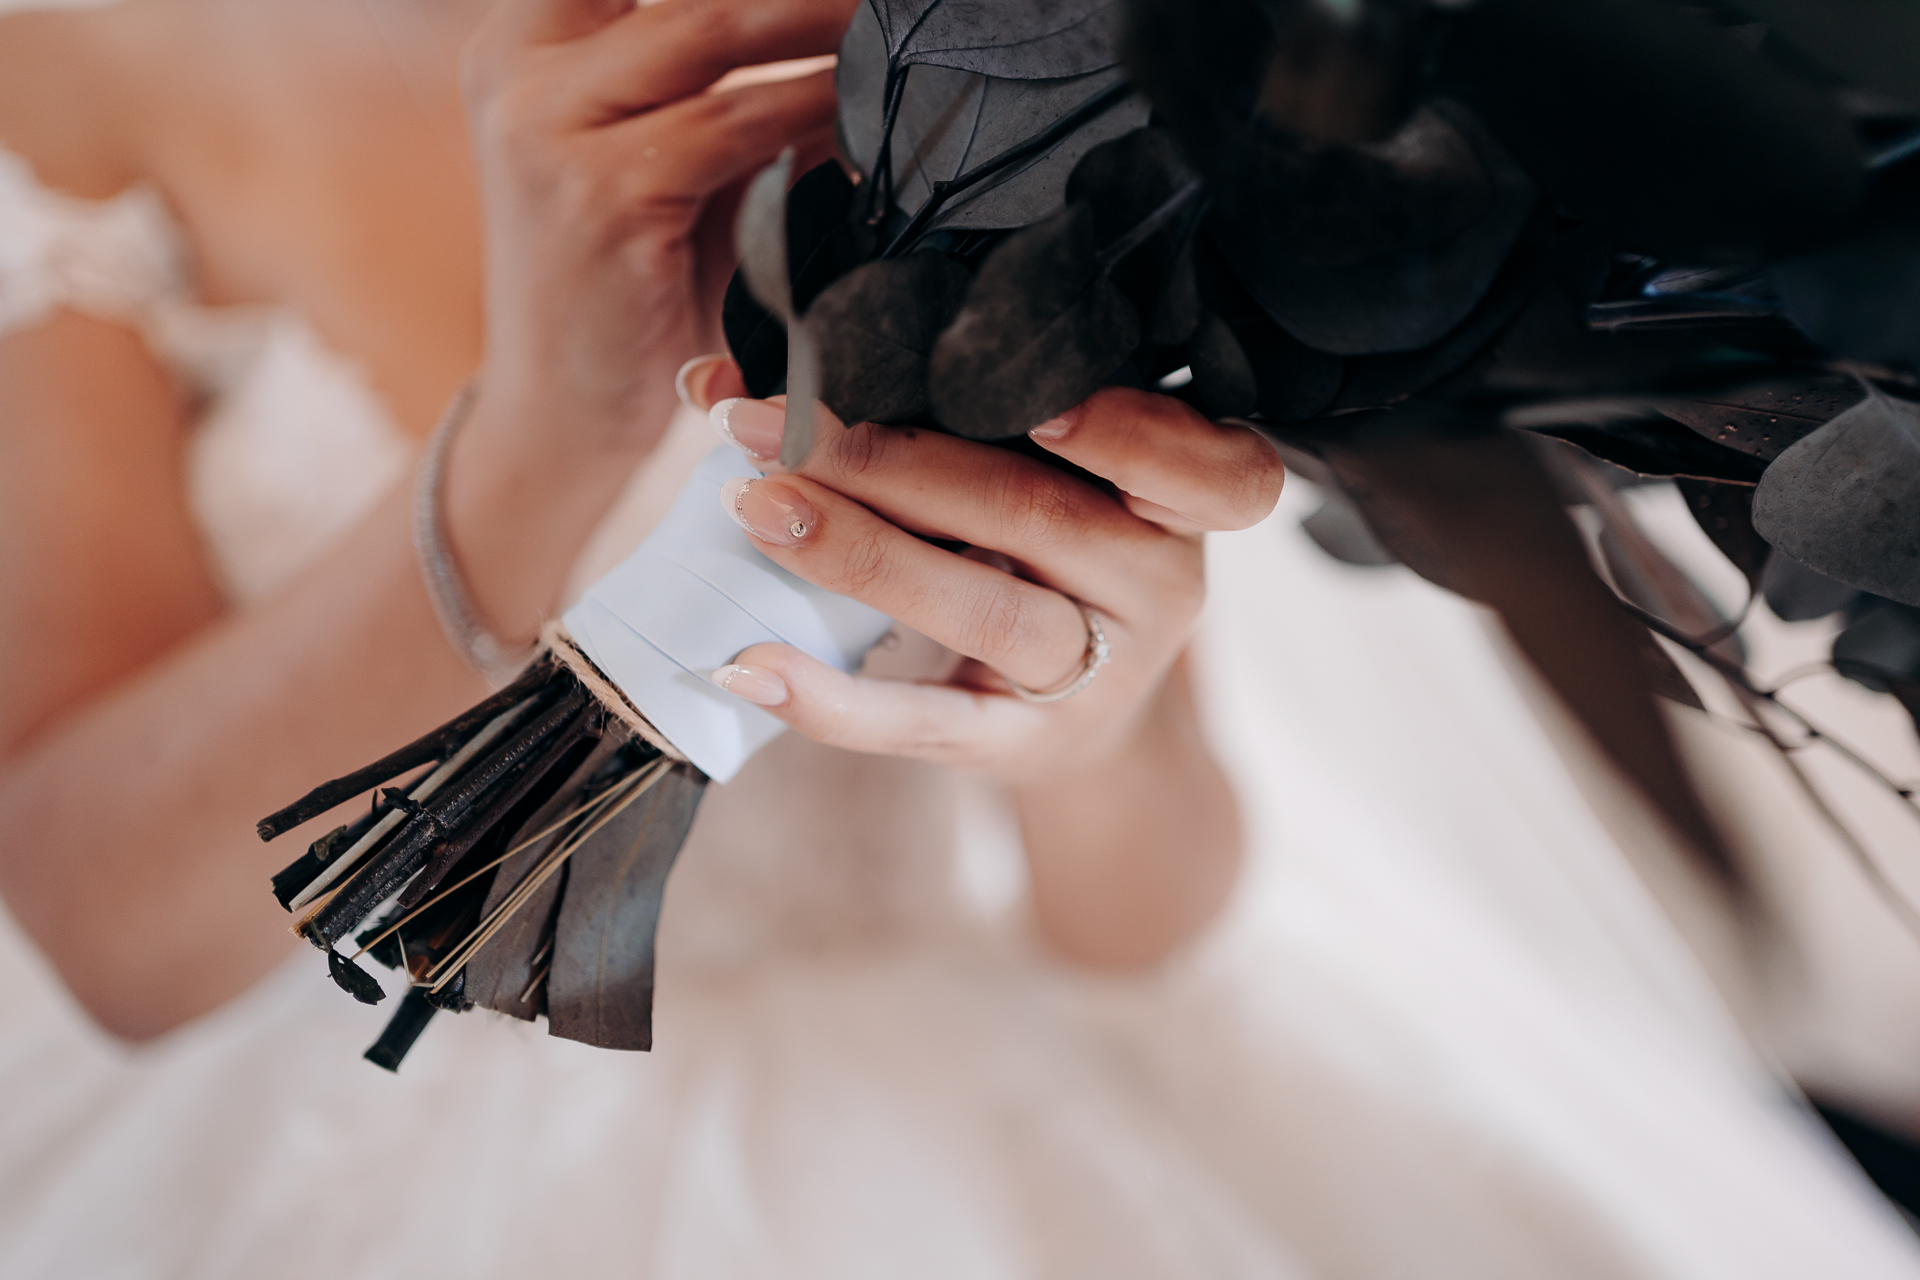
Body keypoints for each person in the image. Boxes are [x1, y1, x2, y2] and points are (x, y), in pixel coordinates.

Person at [2, 0, 1918, 1276]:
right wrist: (539, 440)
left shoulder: (979, 45)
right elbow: (106, 933)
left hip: (990, 1068)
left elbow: (1145, 919)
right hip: (333, 1139)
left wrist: (1089, 716)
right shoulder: (77, 63)